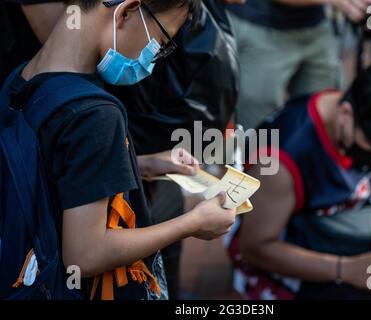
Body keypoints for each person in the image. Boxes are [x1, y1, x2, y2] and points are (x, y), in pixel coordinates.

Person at [2, 0, 237, 300]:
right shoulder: (96, 115)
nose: (152, 61)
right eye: (161, 42)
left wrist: (143, 163)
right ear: (126, 11)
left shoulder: (24, 77)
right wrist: (192, 223)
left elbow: (56, 171)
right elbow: (85, 255)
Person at [228, 59, 371, 300]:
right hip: (290, 256)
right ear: (346, 113)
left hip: (342, 237)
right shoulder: (280, 160)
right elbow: (254, 249)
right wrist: (344, 269)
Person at [226, 0, 371, 129]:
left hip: (315, 24)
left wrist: (370, 34)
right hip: (261, 26)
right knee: (256, 134)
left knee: (323, 122)